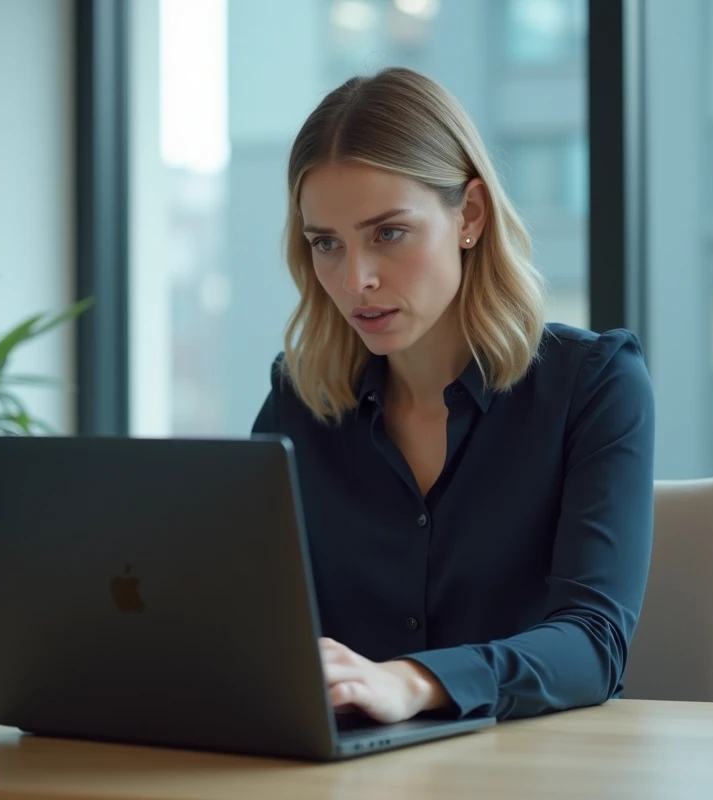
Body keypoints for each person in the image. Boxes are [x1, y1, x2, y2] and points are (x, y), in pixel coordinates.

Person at [251, 67, 655, 725]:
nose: (356, 280)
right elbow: (251, 619)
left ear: (468, 215)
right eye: (326, 243)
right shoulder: (300, 401)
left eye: (388, 233)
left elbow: (594, 642)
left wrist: (413, 682)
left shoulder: (594, 384)